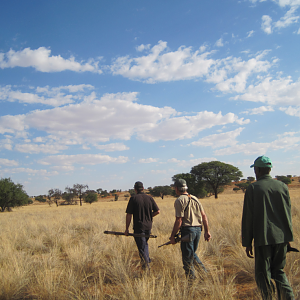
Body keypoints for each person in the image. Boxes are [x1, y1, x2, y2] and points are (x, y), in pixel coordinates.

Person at [242, 156, 294, 300]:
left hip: (262, 238)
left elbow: (248, 217)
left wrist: (247, 242)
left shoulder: (253, 188)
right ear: (269, 169)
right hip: (281, 237)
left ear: (257, 170)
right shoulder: (282, 186)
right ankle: (289, 297)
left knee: (263, 274)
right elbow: (287, 213)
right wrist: (288, 237)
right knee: (279, 271)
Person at [170, 179, 211, 280]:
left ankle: (191, 282)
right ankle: (204, 275)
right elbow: (204, 216)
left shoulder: (179, 200)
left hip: (188, 231)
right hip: (198, 230)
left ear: (176, 189)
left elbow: (179, 221)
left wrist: (172, 236)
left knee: (187, 259)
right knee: (192, 254)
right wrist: (207, 231)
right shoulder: (195, 198)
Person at [125, 181, 160, 270]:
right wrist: (149, 216)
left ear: (135, 189)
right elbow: (157, 211)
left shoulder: (133, 198)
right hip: (148, 226)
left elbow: (129, 214)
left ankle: (146, 265)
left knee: (142, 246)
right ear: (143, 188)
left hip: (139, 227)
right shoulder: (149, 198)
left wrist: (127, 229)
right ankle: (146, 261)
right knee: (144, 244)